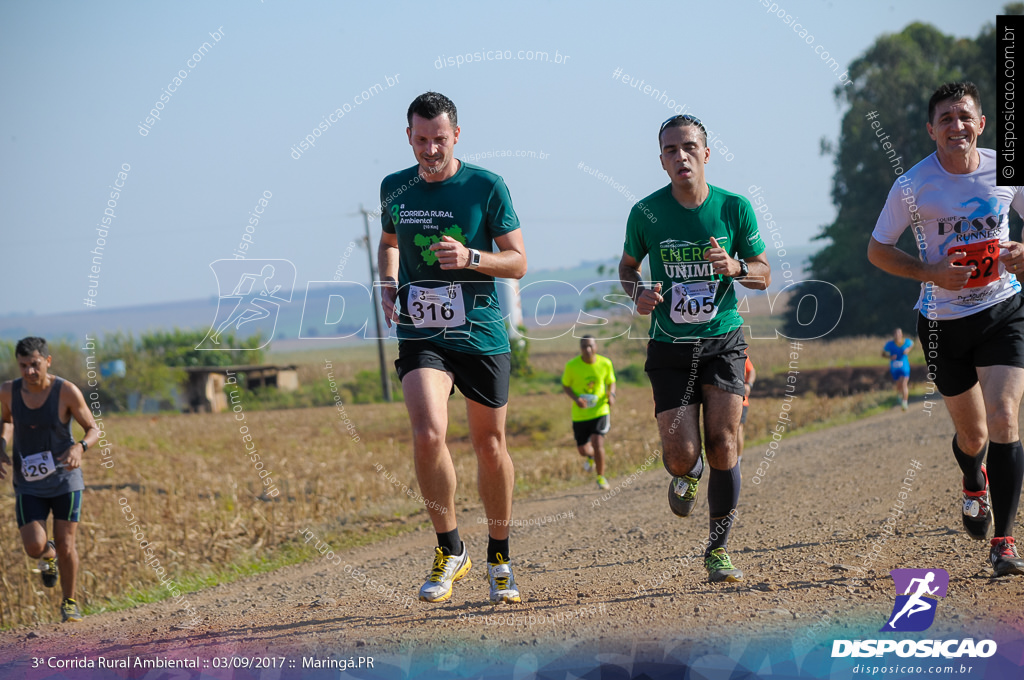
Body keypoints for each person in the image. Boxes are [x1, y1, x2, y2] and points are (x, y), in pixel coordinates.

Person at [867, 81, 1024, 577]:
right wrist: (930, 272)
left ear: (981, 124)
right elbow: (878, 250)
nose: (956, 126)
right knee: (974, 434)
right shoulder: (913, 186)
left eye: (965, 116)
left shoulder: (1006, 170)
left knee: (1002, 419)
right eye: (946, 119)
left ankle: (1003, 540)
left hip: (1002, 309)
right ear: (931, 130)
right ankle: (973, 479)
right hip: (942, 322)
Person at [378, 92, 528, 603]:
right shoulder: (393, 187)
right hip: (422, 331)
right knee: (427, 432)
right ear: (409, 137)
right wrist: (387, 282)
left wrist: (471, 256)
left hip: (481, 332)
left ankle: (500, 556)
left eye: (439, 139)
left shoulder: (487, 186)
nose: (430, 149)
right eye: (421, 140)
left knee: (489, 446)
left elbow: (518, 262)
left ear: (456, 135)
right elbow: (390, 241)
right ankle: (450, 549)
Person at [618, 114, 770, 583]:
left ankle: (718, 549)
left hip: (723, 339)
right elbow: (627, 267)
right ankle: (687, 473)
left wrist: (734, 265)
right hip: (669, 346)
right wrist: (637, 293)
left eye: (688, 147)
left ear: (706, 153)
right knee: (681, 455)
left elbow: (763, 275)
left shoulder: (734, 208)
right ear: (661, 161)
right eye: (670, 150)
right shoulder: (646, 213)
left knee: (725, 440)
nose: (680, 156)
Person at [0, 337, 99, 621]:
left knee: (67, 544)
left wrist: (80, 447)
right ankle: (48, 554)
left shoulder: (66, 391)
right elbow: (6, 421)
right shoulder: (8, 391)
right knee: (33, 546)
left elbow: (93, 428)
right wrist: (1, 445)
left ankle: (69, 602)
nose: (29, 371)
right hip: (27, 482)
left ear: (47, 361)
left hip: (65, 480)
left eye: (35, 364)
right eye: (23, 366)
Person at [561, 335, 617, 490]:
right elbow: (566, 385)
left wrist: (611, 394)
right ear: (580, 348)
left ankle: (601, 477)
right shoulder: (572, 366)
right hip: (580, 414)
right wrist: (576, 399)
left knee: (598, 442)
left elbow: (611, 381)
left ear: (596, 347)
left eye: (591, 346)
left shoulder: (605, 363)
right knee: (583, 450)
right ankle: (591, 456)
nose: (588, 349)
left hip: (600, 410)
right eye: (584, 346)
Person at [882, 328, 913, 410]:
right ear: (894, 335)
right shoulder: (890, 344)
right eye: (896, 334)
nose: (898, 335)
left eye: (899, 333)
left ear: (902, 334)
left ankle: (905, 402)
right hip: (894, 367)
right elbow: (883, 354)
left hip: (904, 366)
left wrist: (908, 350)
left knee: (904, 384)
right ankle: (899, 395)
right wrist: (890, 357)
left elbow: (912, 344)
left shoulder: (906, 342)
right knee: (899, 386)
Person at [737, 350, 756, 464]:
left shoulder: (742, 355)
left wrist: (749, 384)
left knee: (738, 429)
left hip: (742, 401)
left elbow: (752, 371)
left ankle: (738, 460)